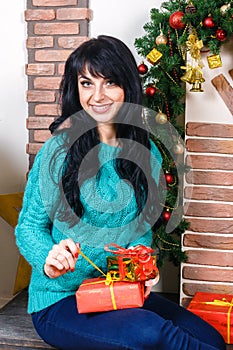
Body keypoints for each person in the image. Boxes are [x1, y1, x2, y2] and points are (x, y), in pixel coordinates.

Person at [15, 35, 226, 350]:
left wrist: (141, 263)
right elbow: (28, 227)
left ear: (127, 86)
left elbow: (139, 232)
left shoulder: (147, 151)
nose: (97, 96)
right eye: (87, 83)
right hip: (59, 301)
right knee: (152, 334)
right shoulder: (58, 151)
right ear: (77, 89)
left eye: (109, 82)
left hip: (114, 291)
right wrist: (49, 256)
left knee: (211, 339)